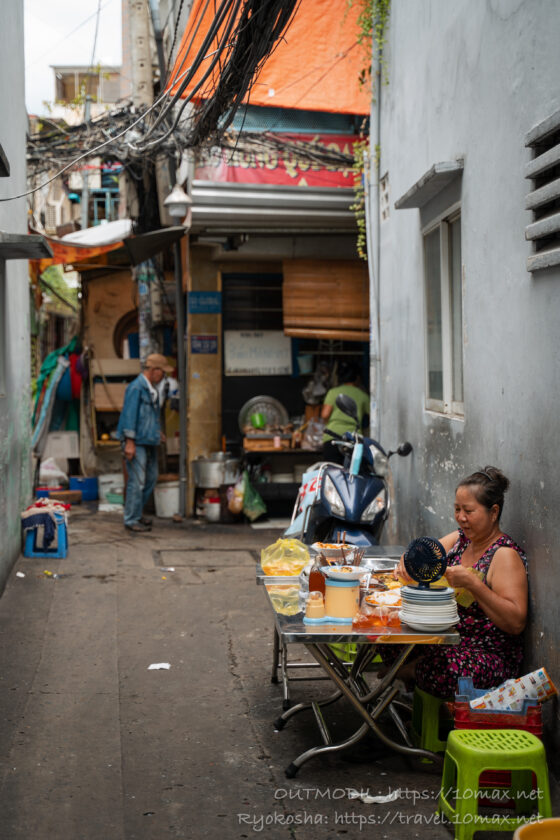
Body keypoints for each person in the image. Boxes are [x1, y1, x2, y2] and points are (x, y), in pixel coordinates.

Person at [392, 466, 528, 698]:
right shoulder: (461, 540)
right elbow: (424, 553)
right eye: (457, 509)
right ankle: (404, 674)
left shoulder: (503, 554)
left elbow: (516, 622)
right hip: (448, 639)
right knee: (389, 640)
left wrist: (474, 584)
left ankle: (406, 673)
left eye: (469, 511)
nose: (461, 517)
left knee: (441, 667)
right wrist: (408, 560)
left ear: (493, 512)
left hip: (486, 655)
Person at [117, 353, 173, 532]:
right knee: (137, 481)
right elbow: (129, 415)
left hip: (149, 440)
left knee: (151, 478)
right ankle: (131, 519)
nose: (163, 376)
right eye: (162, 372)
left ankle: (137, 514)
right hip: (137, 442)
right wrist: (130, 442)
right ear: (154, 370)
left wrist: (158, 432)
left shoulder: (151, 388)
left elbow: (149, 417)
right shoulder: (136, 388)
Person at [320, 362, 369, 464]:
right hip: (354, 438)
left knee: (332, 474)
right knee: (353, 475)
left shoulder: (333, 392)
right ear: (357, 378)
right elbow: (374, 417)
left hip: (332, 437)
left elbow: (325, 415)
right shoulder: (363, 395)